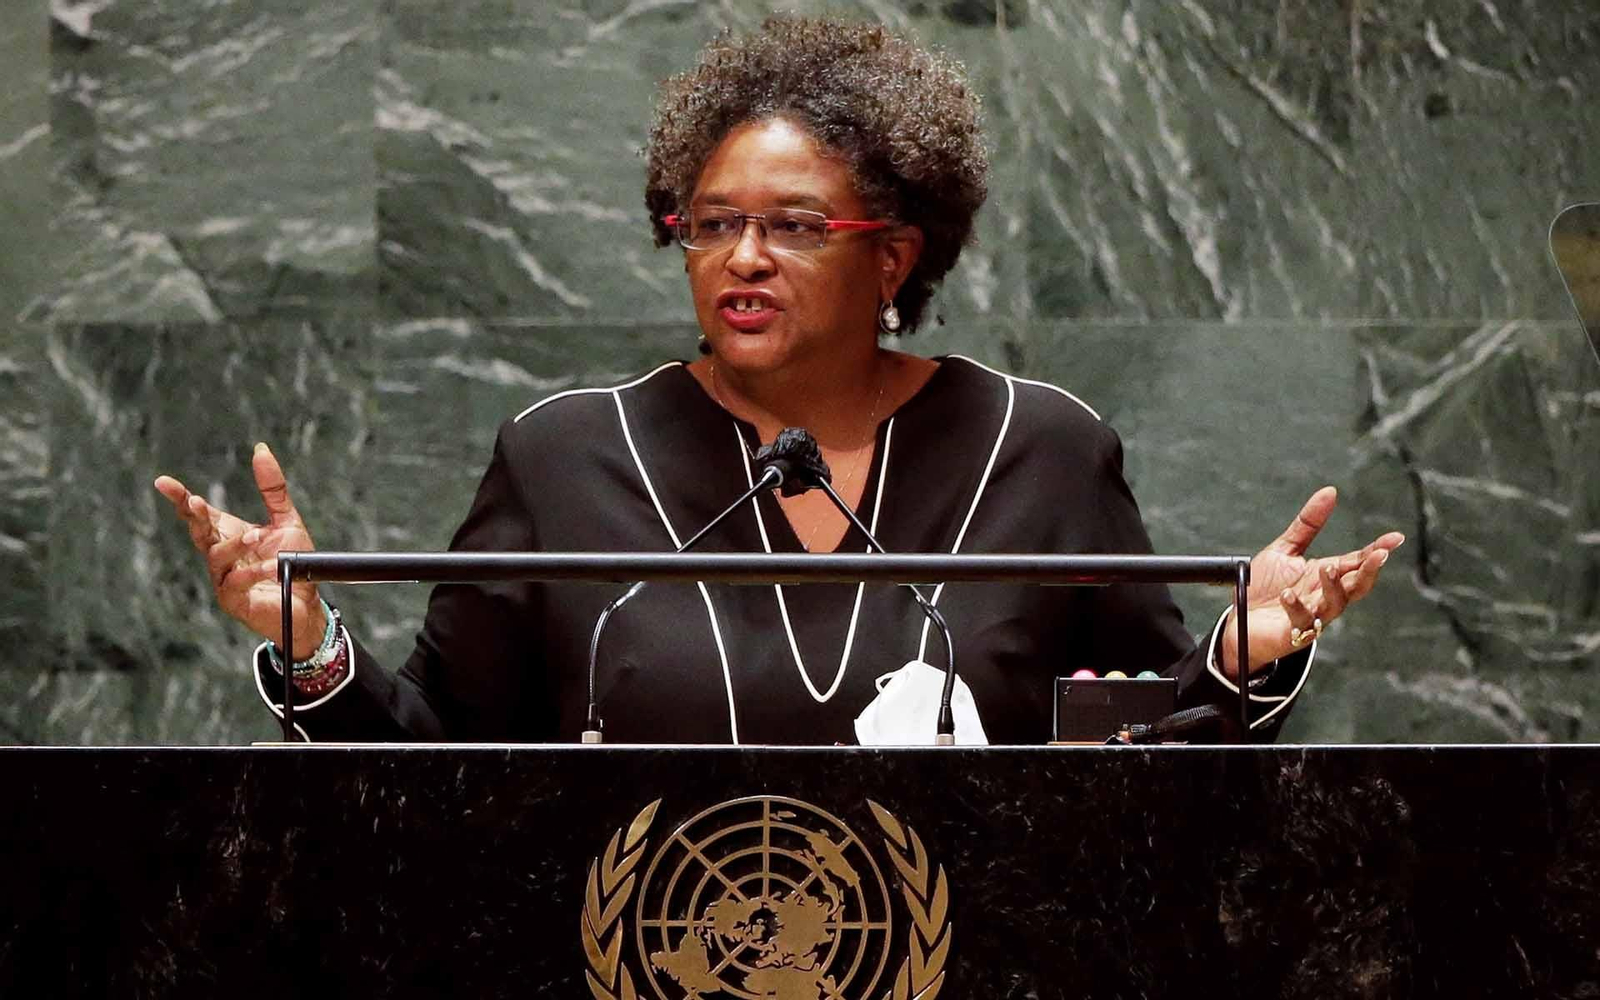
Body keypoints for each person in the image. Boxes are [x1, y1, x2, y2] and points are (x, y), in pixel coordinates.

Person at [153, 16, 1401, 745]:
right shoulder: (567, 453)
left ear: (895, 254)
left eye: (793, 227)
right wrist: (309, 643)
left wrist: (1247, 653)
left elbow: (1135, 750)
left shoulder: (1040, 448)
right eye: (707, 225)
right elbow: (439, 759)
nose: (740, 258)